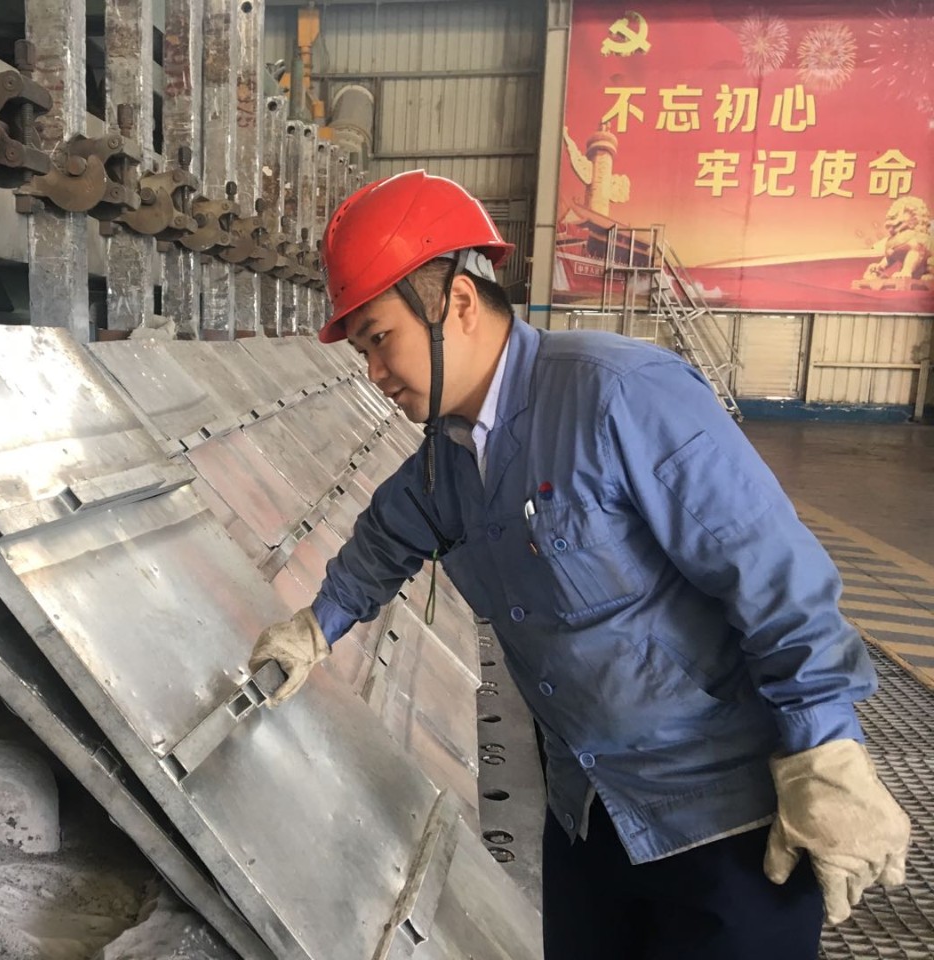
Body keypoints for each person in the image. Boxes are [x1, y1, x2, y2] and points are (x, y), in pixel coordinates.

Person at [248, 170, 909, 959]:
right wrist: (313, 630)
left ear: (458, 303)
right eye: (361, 350)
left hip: (724, 827)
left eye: (379, 339)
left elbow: (772, 574)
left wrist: (825, 749)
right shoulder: (447, 461)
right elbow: (383, 544)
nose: (374, 373)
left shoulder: (620, 396)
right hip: (590, 819)